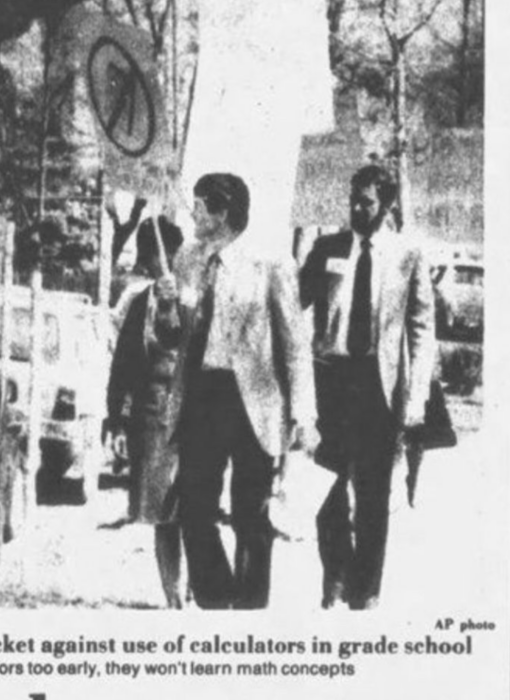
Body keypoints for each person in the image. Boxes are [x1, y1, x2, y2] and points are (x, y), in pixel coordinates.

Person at [156, 174, 313, 609]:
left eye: (200, 206)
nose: (193, 213)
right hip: (202, 394)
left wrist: (303, 412)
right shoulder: (186, 257)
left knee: (250, 515)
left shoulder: (271, 263)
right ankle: (215, 600)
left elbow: (294, 341)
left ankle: (249, 611)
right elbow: (173, 337)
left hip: (254, 399)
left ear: (223, 213)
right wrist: (165, 303)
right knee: (193, 508)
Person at [299, 164, 436, 610]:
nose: (358, 209)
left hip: (378, 386)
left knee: (373, 497)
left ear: (387, 204)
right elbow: (293, 302)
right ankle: (335, 574)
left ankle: (366, 592)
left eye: (368, 202)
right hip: (332, 382)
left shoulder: (407, 254)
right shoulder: (327, 248)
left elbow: (421, 329)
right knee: (327, 491)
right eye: (354, 200)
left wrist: (415, 398)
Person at [107, 216, 185, 608]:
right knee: (162, 510)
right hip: (152, 418)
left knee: (194, 508)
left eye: (167, 255)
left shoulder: (196, 297)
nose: (160, 263)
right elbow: (123, 364)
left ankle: (194, 587)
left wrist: (178, 305)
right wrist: (117, 419)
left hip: (193, 417)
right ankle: (174, 595)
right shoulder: (139, 303)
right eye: (153, 256)